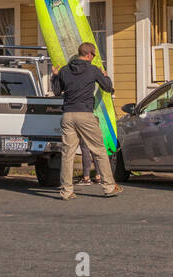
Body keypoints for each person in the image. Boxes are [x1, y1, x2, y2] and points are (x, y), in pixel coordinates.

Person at [51, 42, 121, 199]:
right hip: (85, 115)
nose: (93, 57)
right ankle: (109, 187)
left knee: (67, 154)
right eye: (94, 55)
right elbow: (108, 87)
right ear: (89, 55)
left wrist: (54, 76)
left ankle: (67, 191)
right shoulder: (92, 70)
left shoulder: (64, 70)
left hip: (68, 115)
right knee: (99, 150)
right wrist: (105, 76)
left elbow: (56, 91)